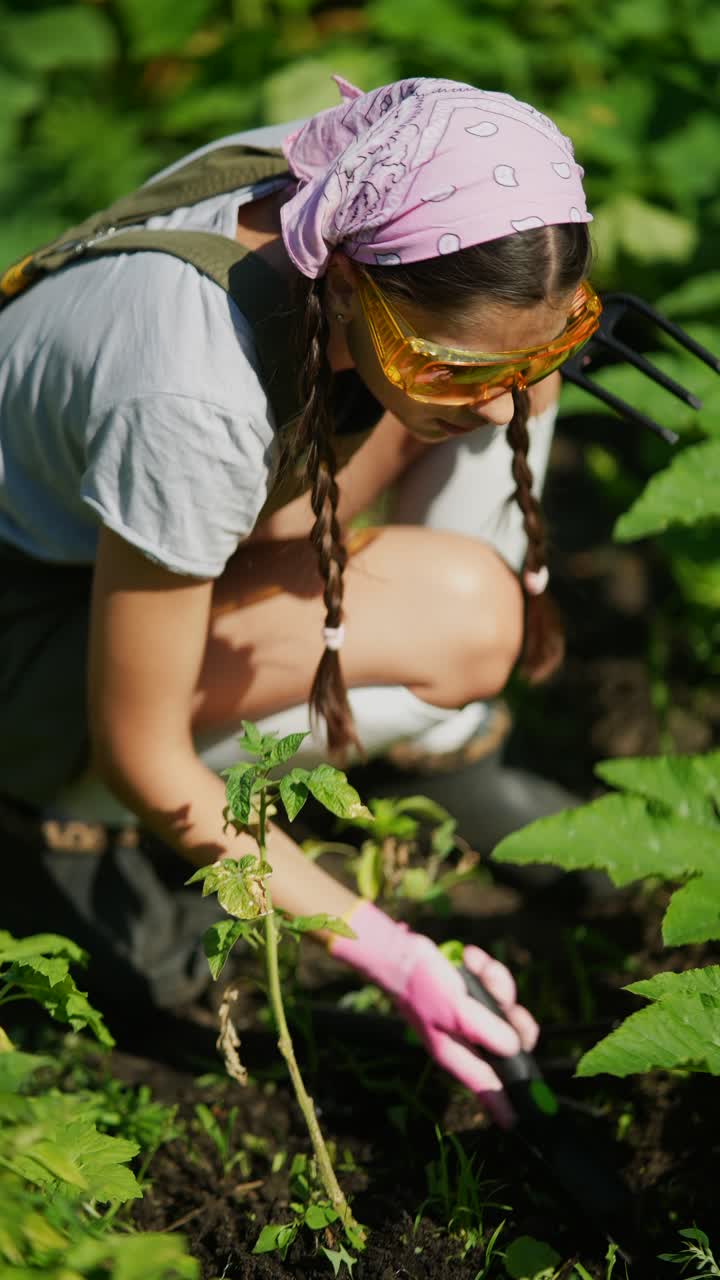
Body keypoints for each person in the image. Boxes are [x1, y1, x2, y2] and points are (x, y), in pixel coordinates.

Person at [0, 76, 599, 1125]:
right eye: (454, 369)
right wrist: (392, 950)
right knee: (469, 616)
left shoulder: (370, 171)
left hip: (139, 523)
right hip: (29, 619)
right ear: (352, 279)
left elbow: (275, 497)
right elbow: (146, 751)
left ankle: (441, 745)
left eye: (560, 335)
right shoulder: (192, 391)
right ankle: (66, 823)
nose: (502, 398)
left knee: (504, 392)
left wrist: (490, 367)